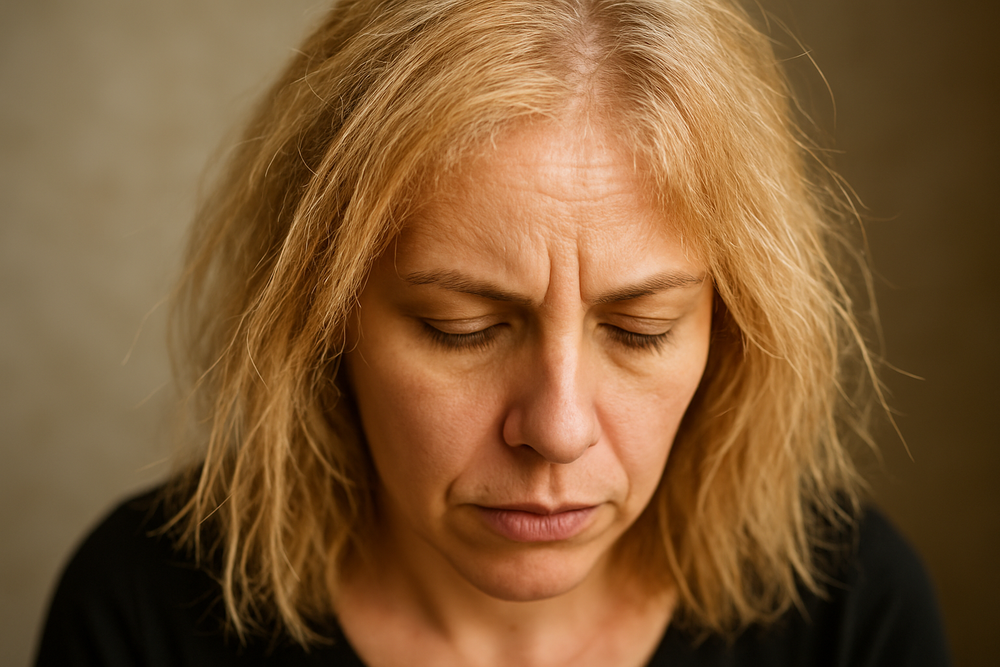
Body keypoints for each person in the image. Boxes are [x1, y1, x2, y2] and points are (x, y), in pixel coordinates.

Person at [36, 0, 950, 665]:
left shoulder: (851, 610)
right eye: (461, 328)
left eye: (640, 330)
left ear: (731, 328)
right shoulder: (142, 608)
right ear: (323, 318)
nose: (556, 429)